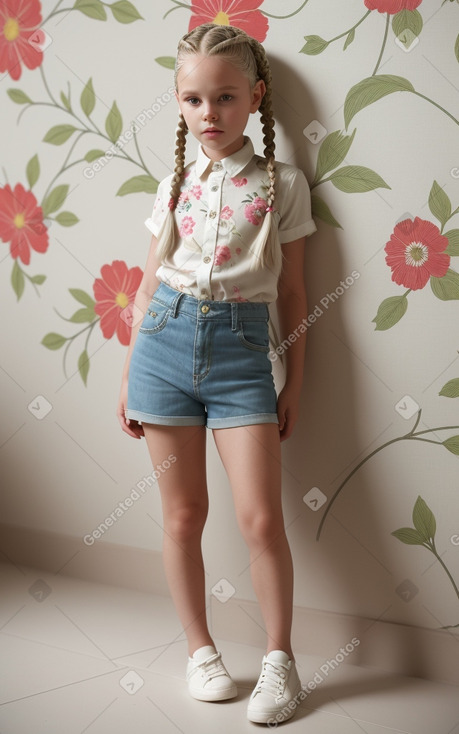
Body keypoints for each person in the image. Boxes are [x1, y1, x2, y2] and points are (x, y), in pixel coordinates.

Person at [117, 22, 317, 725]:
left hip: (240, 356)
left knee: (261, 519)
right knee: (183, 515)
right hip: (162, 347)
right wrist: (128, 372)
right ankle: (201, 651)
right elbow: (146, 285)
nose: (210, 114)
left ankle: (279, 663)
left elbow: (292, 294)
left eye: (225, 98)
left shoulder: (282, 184)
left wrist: (291, 380)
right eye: (195, 100)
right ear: (179, 104)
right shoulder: (173, 181)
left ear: (254, 98)